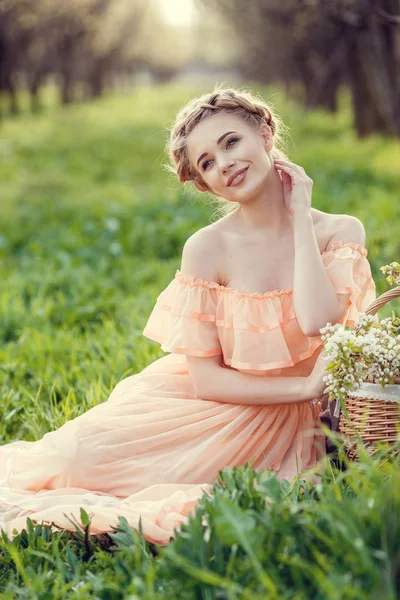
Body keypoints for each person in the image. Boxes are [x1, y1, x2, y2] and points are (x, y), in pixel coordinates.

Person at [0, 86, 377, 546]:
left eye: (231, 142)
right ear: (203, 182)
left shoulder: (340, 230)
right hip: (217, 405)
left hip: (295, 428)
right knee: (74, 459)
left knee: (210, 494)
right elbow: (207, 381)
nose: (224, 164)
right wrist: (302, 387)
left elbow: (319, 321)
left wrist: (300, 216)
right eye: (207, 163)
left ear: (265, 133)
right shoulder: (206, 248)